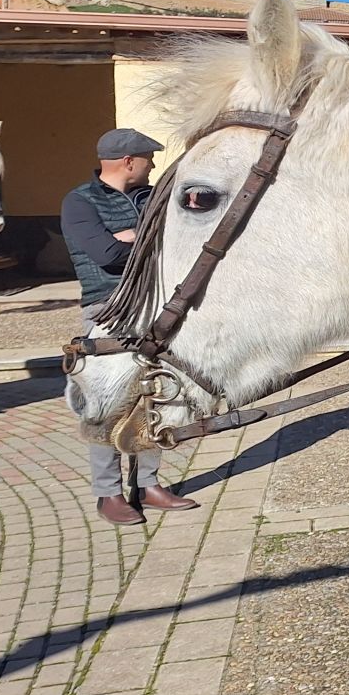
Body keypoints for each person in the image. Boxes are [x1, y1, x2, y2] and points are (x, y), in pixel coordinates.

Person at [61, 128, 198, 525]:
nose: (152, 164)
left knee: (156, 395)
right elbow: (104, 254)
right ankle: (108, 494)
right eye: (148, 158)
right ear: (128, 162)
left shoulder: (155, 196)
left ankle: (149, 485)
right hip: (108, 308)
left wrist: (130, 237)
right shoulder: (80, 202)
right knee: (106, 402)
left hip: (156, 305)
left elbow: (180, 241)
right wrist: (148, 238)